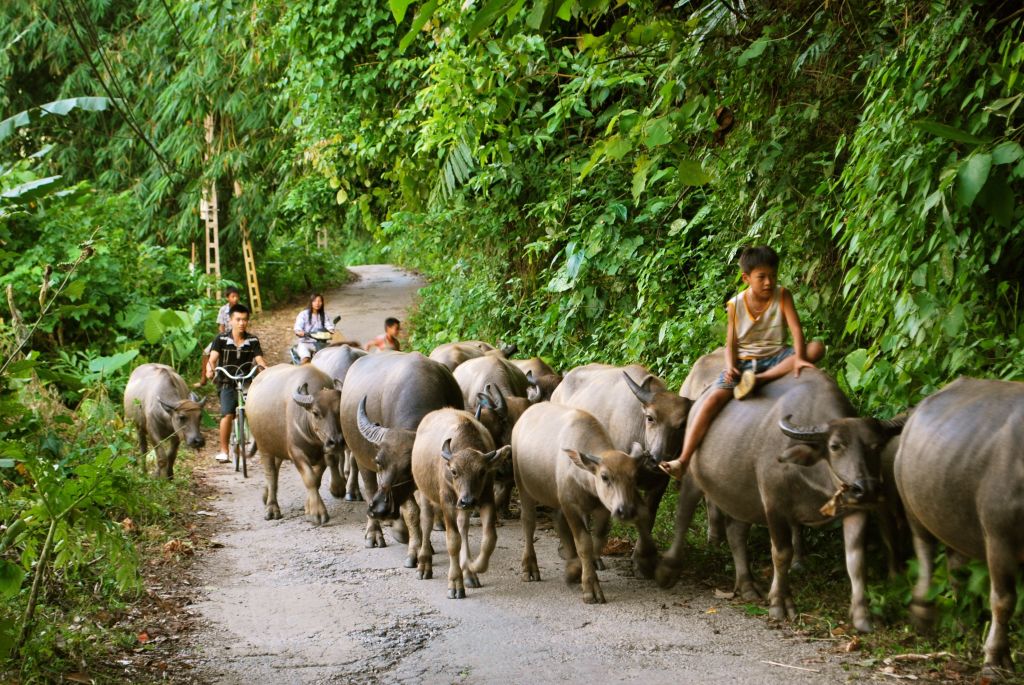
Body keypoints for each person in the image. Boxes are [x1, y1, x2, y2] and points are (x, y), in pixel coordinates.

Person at [659, 245, 824, 481]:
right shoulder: (735, 304)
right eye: (762, 277)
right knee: (712, 399)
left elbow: (796, 330)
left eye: (773, 276)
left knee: (816, 348)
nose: (769, 282)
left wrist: (798, 357)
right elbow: (731, 343)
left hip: (777, 355)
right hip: (746, 361)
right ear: (746, 278)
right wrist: (730, 366)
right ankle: (683, 460)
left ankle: (759, 381)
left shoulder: (783, 295)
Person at [207, 304, 268, 463]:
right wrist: (210, 369)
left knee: (256, 411)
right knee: (227, 414)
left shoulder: (252, 340)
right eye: (238, 319)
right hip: (226, 381)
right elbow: (212, 359)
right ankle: (224, 450)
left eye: (245, 320)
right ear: (231, 320)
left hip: (247, 381)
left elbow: (259, 359)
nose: (242, 323)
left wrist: (265, 370)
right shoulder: (220, 339)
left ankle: (262, 448)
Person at [195, 287, 241, 387]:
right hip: (224, 337)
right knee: (206, 353)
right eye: (233, 296)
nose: (235, 299)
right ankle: (203, 379)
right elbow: (221, 327)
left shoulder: (241, 310)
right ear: (227, 298)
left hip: (238, 338)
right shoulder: (223, 310)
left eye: (237, 296)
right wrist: (223, 339)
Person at [293, 293, 336, 363]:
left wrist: (331, 329)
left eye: (319, 301)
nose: (317, 303)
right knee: (306, 358)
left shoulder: (323, 315)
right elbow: (298, 327)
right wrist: (299, 331)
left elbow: (328, 324)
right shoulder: (303, 314)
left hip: (321, 344)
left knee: (333, 357)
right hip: (306, 343)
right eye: (315, 301)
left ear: (322, 303)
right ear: (311, 302)